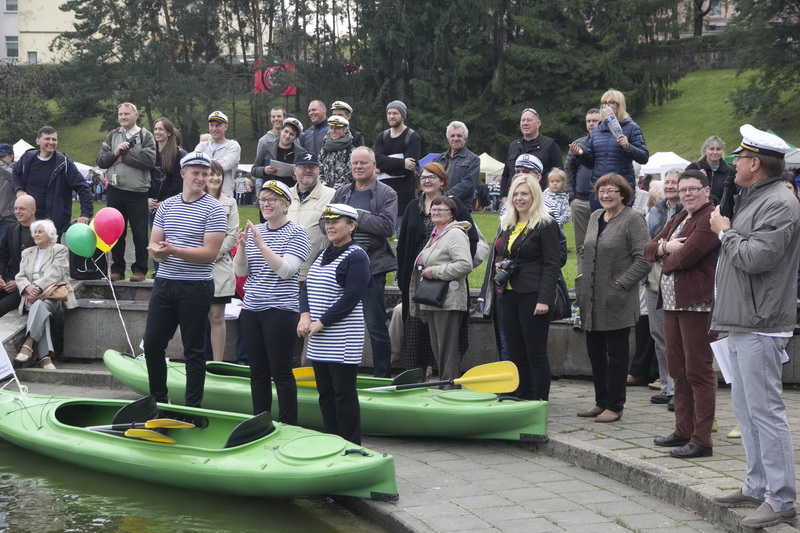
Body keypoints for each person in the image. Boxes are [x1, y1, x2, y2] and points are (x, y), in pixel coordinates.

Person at [709, 125, 800, 528]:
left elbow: (756, 258)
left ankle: (780, 498)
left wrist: (724, 231)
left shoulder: (779, 202)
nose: (734, 164)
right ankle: (757, 485)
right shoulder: (757, 197)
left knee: (765, 412)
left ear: (756, 164)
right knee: (746, 410)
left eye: (740, 158)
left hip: (761, 321)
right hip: (744, 319)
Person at [644, 170, 719, 459]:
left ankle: (702, 439)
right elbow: (648, 249)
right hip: (672, 304)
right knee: (677, 370)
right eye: (683, 189)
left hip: (697, 305)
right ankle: (683, 430)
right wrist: (665, 247)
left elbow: (687, 256)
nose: (687, 194)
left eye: (693, 189)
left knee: (698, 371)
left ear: (706, 191)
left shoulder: (709, 218)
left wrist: (664, 256)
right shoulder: (679, 218)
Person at [143, 152, 227, 407]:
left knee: (193, 349)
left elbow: (209, 254)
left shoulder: (214, 208)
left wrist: (173, 251)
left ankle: (193, 406)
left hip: (195, 285)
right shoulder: (167, 206)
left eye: (205, 174)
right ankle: (159, 400)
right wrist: (157, 252)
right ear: (183, 174)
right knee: (152, 344)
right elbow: (154, 244)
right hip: (165, 282)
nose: (201, 178)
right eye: (196, 173)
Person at [234, 180, 311, 423]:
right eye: (263, 200)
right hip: (252, 309)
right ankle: (261, 420)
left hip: (280, 310)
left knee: (281, 371)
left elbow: (287, 271)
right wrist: (243, 246)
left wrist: (260, 244)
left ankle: (288, 423)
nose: (266, 204)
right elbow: (241, 271)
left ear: (286, 205)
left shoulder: (297, 233)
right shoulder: (256, 230)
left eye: (272, 200)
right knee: (257, 372)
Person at [575, 173, 650, 423]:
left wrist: (621, 284)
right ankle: (601, 401)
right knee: (595, 353)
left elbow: (644, 258)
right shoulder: (596, 216)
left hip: (618, 299)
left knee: (616, 355)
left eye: (611, 191)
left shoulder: (633, 219)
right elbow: (584, 250)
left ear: (623, 194)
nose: (605, 195)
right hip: (591, 298)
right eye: (601, 191)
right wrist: (581, 273)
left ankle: (615, 405)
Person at [298, 203, 371, 444]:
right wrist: (305, 316)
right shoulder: (322, 253)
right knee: (325, 393)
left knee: (343, 394)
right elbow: (306, 287)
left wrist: (322, 322)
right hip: (318, 335)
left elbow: (351, 297)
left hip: (343, 337)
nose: (330, 226)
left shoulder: (357, 256)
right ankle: (332, 440)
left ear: (351, 226)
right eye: (327, 222)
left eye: (335, 222)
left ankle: (350, 444)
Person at [397, 163, 478, 378]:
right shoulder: (413, 206)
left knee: (446, 336)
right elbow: (403, 245)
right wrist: (404, 278)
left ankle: (446, 380)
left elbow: (470, 241)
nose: (426, 180)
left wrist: (447, 267)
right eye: (423, 177)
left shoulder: (453, 205)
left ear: (442, 181)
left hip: (445, 281)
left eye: (432, 177)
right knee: (417, 332)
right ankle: (417, 379)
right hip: (418, 280)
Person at [330, 147, 397, 377]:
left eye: (363, 163)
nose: (358, 167)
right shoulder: (342, 192)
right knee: (338, 321)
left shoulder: (386, 193)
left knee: (375, 325)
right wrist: (341, 223)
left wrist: (353, 216)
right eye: (355, 163)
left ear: (374, 166)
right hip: (341, 267)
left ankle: (381, 377)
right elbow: (325, 222)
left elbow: (387, 227)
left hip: (372, 268)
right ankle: (339, 372)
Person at [493, 174, 560, 401]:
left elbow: (552, 265)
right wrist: (500, 264)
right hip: (509, 294)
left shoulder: (545, 224)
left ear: (535, 196)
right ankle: (521, 400)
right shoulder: (508, 223)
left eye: (525, 194)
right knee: (516, 354)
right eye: (516, 194)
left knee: (536, 354)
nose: (519, 198)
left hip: (533, 295)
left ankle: (539, 403)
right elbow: (505, 253)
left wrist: (544, 299)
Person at [408, 196, 472, 384]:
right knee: (438, 347)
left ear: (451, 214)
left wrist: (435, 272)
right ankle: (445, 385)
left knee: (447, 348)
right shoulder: (437, 233)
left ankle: (449, 387)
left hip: (448, 299)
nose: (435, 212)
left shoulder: (455, 233)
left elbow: (465, 264)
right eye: (433, 209)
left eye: (441, 210)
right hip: (434, 299)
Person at [633, 170, 682, 406]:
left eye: (675, 182)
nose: (670, 186)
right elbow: (649, 245)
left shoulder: (687, 211)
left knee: (676, 339)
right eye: (668, 182)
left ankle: (678, 390)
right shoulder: (655, 210)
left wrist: (661, 247)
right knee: (659, 335)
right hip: (653, 280)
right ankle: (666, 386)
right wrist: (662, 247)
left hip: (677, 281)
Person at [96, 103, 156, 282]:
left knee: (139, 233)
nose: (123, 117)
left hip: (138, 192)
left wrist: (123, 156)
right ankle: (117, 269)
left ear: (136, 115)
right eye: (120, 114)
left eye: (127, 114)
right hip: (115, 191)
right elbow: (101, 161)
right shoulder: (112, 135)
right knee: (116, 232)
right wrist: (115, 152)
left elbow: (149, 161)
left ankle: (140, 270)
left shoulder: (146, 135)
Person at [568, 90, 649, 212]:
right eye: (604, 103)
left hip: (621, 190)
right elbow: (591, 164)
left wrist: (628, 146)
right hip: (599, 189)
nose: (606, 106)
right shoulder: (597, 131)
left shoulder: (632, 128)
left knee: (620, 223)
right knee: (599, 223)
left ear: (619, 105)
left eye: (611, 102)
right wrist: (581, 155)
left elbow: (644, 157)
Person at [13, 219, 77, 370]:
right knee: (40, 309)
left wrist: (37, 287)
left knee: (40, 305)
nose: (36, 234)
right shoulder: (27, 253)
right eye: (34, 232)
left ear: (50, 234)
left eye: (40, 231)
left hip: (52, 296)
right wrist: (28, 287)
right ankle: (45, 358)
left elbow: (54, 273)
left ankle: (29, 342)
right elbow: (20, 276)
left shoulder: (60, 250)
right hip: (31, 297)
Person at [14, 127, 93, 237]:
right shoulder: (27, 158)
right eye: (47, 139)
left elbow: (83, 187)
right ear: (38, 141)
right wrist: (19, 189)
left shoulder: (64, 163)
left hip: (54, 223)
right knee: (27, 248)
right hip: (29, 220)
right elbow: (16, 172)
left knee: (52, 248)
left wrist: (85, 214)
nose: (51, 142)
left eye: (54, 139)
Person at [204, 161, 238, 362]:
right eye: (211, 174)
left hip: (220, 266)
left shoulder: (230, 202)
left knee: (217, 316)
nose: (215, 178)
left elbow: (232, 234)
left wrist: (211, 254)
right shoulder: (194, 201)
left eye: (218, 174)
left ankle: (217, 363)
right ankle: (197, 361)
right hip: (196, 267)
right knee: (196, 318)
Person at [148, 117, 187, 274]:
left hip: (170, 204)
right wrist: (147, 198)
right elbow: (146, 179)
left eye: (161, 129)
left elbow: (178, 181)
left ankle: (170, 271)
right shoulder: (150, 153)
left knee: (170, 239)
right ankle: (157, 271)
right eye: (155, 129)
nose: (157, 132)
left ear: (169, 133)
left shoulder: (178, 154)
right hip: (152, 205)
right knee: (154, 240)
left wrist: (165, 201)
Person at [287, 153, 335, 282]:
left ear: (318, 170)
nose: (308, 170)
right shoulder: (284, 195)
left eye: (312, 167)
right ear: (295, 170)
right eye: (303, 167)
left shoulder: (332, 196)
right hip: (285, 272)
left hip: (316, 273)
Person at [374, 100, 421, 231]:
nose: (391, 116)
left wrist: (383, 167)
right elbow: (377, 160)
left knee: (402, 235)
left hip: (403, 198)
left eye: (395, 113)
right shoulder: (382, 137)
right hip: (382, 196)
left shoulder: (412, 137)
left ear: (403, 116)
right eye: (389, 113)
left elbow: (407, 170)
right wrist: (401, 163)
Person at [500, 108, 562, 204]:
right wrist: (503, 197)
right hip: (514, 199)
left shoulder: (550, 145)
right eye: (523, 120)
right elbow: (506, 174)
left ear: (538, 123)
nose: (525, 123)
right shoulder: (514, 146)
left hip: (541, 200)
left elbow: (559, 174)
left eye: (529, 120)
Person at [566, 108, 602, 252]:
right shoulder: (577, 144)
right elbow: (568, 170)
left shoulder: (608, 144)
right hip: (579, 201)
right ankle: (582, 268)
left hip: (602, 200)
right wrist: (572, 198)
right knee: (581, 246)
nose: (591, 124)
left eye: (595, 121)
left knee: (602, 243)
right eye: (588, 121)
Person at [0, 195, 36, 317]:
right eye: (15, 208)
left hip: (26, 286)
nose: (17, 212)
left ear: (33, 210)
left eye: (22, 209)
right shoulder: (11, 228)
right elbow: (3, 256)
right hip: (7, 281)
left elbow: (43, 266)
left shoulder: (42, 232)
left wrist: (18, 283)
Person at [432, 121, 480, 211]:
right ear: (448, 139)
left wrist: (444, 197)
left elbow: (468, 184)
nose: (456, 138)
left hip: (460, 207)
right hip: (437, 206)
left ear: (465, 139)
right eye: (452, 136)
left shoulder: (473, 159)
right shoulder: (437, 160)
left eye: (459, 135)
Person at [685, 136, 737, 217]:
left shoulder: (729, 171)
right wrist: (697, 177)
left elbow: (732, 197)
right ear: (705, 151)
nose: (715, 152)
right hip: (697, 215)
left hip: (721, 215)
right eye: (711, 149)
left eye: (718, 149)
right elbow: (683, 188)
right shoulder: (693, 168)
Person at [194, 111, 241, 196]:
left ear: (225, 127)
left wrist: (204, 163)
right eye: (211, 125)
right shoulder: (202, 146)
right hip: (202, 196)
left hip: (224, 196)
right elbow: (195, 165)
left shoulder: (233, 146)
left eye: (217, 125)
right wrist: (217, 161)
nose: (214, 129)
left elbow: (223, 166)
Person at [251, 117, 306, 188]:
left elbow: (306, 175)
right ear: (281, 130)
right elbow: (254, 170)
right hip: (271, 190)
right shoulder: (266, 147)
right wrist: (264, 170)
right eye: (286, 131)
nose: (287, 136)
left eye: (292, 134)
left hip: (292, 191)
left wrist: (299, 178)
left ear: (296, 138)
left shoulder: (302, 152)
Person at [318, 115, 354, 190]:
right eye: (331, 128)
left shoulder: (351, 151)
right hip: (325, 192)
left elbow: (351, 173)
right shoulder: (324, 150)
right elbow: (318, 170)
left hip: (344, 192)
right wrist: (325, 188)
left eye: (337, 128)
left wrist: (336, 190)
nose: (333, 131)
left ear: (345, 129)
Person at [0, 144, 16, 243]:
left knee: (2, 247)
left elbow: (14, 178)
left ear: (11, 156)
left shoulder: (16, 169)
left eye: (1, 156)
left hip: (8, 219)